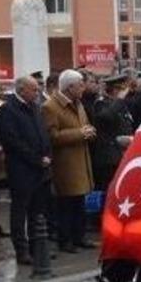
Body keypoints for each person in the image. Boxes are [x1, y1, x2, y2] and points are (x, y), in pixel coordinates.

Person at [0, 76, 52, 265]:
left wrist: (47, 155)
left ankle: (38, 247)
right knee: (20, 211)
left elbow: (42, 133)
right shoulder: (8, 110)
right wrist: (37, 159)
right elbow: (13, 141)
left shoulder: (34, 108)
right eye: (34, 90)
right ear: (22, 90)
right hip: (22, 169)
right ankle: (21, 250)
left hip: (40, 169)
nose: (37, 93)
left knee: (38, 211)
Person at [43, 69, 96, 253]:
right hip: (65, 164)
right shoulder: (50, 107)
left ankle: (79, 237)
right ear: (69, 87)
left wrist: (88, 131)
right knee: (66, 204)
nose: (83, 88)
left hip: (81, 159)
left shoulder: (79, 104)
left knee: (79, 203)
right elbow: (52, 136)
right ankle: (65, 240)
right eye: (80, 85)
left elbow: (85, 125)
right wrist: (80, 133)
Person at [90, 73, 134, 190]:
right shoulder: (101, 103)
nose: (125, 94)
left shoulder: (120, 105)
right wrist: (119, 100)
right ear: (115, 90)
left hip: (122, 155)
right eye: (122, 89)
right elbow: (106, 117)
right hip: (109, 160)